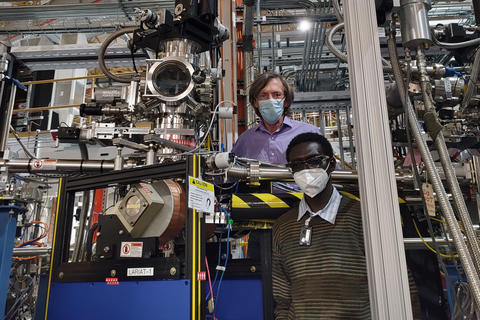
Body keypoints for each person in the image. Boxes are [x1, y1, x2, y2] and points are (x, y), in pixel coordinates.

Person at [272, 132, 420, 319]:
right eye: (297, 165)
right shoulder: (283, 227)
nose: (306, 169)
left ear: (331, 164)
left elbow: (402, 287)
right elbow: (282, 299)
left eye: (314, 161)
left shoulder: (365, 217)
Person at [231, 72, 323, 164]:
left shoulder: (309, 134)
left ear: (286, 101)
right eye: (263, 95)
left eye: (277, 94)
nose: (270, 100)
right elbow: (232, 175)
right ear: (255, 102)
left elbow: (331, 173)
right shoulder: (245, 140)